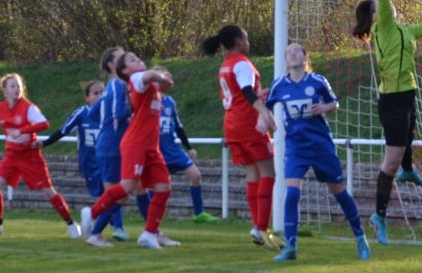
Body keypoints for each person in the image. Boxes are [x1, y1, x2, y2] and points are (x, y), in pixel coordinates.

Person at [351, 0, 422, 245]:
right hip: (391, 98)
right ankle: (379, 215)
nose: (391, 7)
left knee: (409, 134)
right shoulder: (384, 28)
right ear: (377, 16)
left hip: (408, 92)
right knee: (389, 162)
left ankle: (408, 170)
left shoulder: (403, 30)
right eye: (384, 7)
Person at [264, 42, 371, 263]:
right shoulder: (279, 85)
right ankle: (291, 247)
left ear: (305, 58)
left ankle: (361, 238)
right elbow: (264, 105)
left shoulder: (318, 81)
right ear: (285, 61)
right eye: (288, 52)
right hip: (296, 147)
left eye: (296, 51)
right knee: (292, 194)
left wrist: (324, 108)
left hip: (321, 146)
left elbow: (335, 103)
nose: (292, 54)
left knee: (340, 194)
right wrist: (264, 118)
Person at [81, 51, 178, 250]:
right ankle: (92, 213)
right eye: (132, 60)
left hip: (151, 145)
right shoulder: (135, 79)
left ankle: (149, 234)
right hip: (136, 143)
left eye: (137, 57)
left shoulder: (148, 86)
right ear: (125, 70)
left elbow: (160, 83)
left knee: (164, 188)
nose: (139, 59)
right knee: (126, 187)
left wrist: (166, 82)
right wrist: (161, 77)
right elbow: (151, 76)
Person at [0, 73, 80, 238]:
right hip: (12, 155)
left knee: (48, 192)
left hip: (30, 156)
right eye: (12, 86)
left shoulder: (28, 107)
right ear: (5, 90)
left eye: (19, 86)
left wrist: (22, 130)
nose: (16, 89)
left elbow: (44, 123)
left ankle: (72, 225)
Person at [205, 24, 278, 246]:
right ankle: (262, 227)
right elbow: (246, 93)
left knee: (252, 174)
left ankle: (258, 227)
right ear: (238, 41)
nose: (248, 43)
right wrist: (266, 113)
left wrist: (263, 94)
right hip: (248, 123)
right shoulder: (242, 64)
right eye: (246, 38)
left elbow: (241, 93)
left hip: (232, 124)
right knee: (268, 173)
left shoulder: (225, 65)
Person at [139, 92, 216, 225]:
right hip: (155, 149)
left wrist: (189, 147)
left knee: (195, 175)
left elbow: (179, 127)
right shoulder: (145, 101)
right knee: (154, 185)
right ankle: (151, 216)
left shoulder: (170, 102)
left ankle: (199, 213)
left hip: (172, 148)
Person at [44, 79, 110, 230]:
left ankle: (113, 227)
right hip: (89, 163)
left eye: (103, 93)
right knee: (106, 195)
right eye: (95, 93)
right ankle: (94, 217)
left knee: (112, 192)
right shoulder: (82, 113)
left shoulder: (110, 113)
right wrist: (45, 143)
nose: (100, 96)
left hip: (107, 160)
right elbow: (63, 130)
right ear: (87, 97)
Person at [80, 49, 130, 241]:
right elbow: (119, 114)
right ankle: (95, 223)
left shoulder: (114, 86)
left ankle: (96, 223)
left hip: (115, 145)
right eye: (121, 56)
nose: (125, 58)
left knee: (123, 193)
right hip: (111, 147)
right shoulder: (116, 85)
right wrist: (135, 109)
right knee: (118, 193)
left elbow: (93, 114)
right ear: (111, 64)